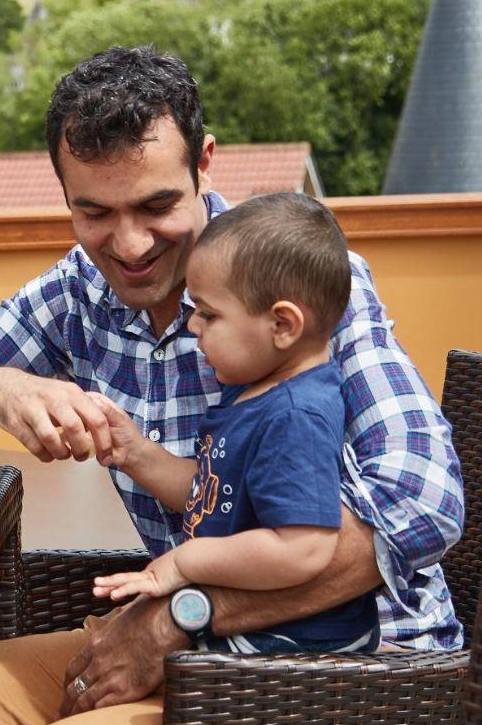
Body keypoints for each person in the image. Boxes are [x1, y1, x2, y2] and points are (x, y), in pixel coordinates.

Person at [0, 47, 462, 725]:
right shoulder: (76, 295)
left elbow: (424, 502)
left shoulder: (303, 284)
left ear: (204, 163)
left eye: (157, 204)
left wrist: (181, 616)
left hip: (349, 671)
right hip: (197, 654)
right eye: (94, 213)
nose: (130, 243)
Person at [89, 193, 380, 655]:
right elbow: (212, 493)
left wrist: (183, 563)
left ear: (282, 325)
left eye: (208, 313)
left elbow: (303, 548)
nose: (192, 326)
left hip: (293, 654)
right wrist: (135, 452)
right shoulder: (251, 391)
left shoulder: (295, 415)